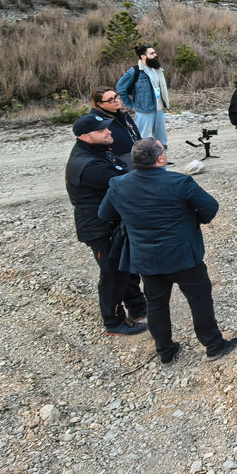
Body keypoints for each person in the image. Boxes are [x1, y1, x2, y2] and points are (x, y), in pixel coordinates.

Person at [98, 137, 237, 364]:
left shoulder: (118, 184)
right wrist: (192, 221)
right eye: (163, 150)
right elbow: (210, 208)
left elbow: (105, 215)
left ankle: (165, 350)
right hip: (183, 255)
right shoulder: (179, 183)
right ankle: (213, 344)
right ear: (160, 158)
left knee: (156, 303)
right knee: (199, 298)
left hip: (147, 257)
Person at [65, 111, 148, 335]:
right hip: (99, 226)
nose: (108, 132)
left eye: (107, 128)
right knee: (113, 274)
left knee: (127, 268)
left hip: (113, 221)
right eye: (101, 131)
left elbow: (124, 169)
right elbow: (125, 180)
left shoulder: (98, 151)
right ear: (85, 137)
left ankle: (138, 308)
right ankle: (113, 322)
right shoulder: (89, 165)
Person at [115, 44, 170, 147]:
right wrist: (130, 105)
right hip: (144, 110)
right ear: (143, 56)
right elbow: (120, 88)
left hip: (159, 109)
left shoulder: (157, 69)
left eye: (154, 52)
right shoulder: (135, 71)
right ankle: (146, 162)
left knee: (162, 138)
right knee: (144, 139)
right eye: (152, 53)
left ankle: (162, 160)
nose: (155, 55)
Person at [91, 86, 140, 163]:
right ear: (100, 104)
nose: (116, 100)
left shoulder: (124, 115)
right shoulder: (97, 122)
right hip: (117, 161)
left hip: (134, 156)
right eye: (110, 100)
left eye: (116, 96)